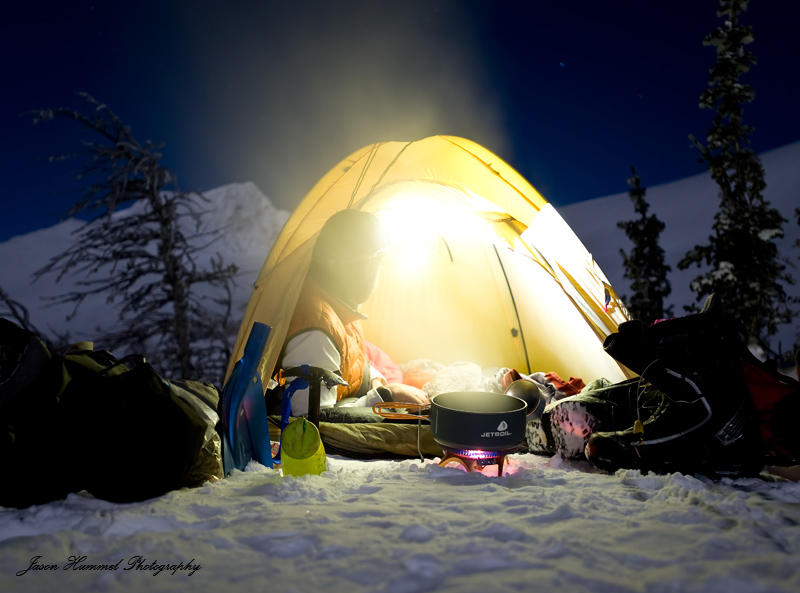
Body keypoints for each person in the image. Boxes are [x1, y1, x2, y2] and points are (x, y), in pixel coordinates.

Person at [275, 209, 427, 418]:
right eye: (375, 262)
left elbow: (353, 360)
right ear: (340, 262)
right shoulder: (316, 329)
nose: (377, 272)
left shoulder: (338, 307)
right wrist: (385, 396)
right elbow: (313, 422)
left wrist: (376, 379)